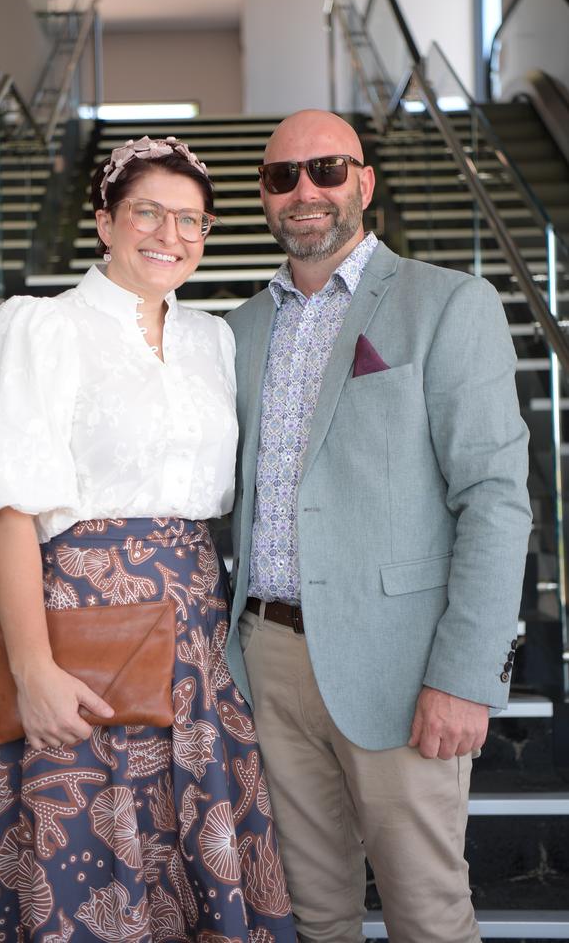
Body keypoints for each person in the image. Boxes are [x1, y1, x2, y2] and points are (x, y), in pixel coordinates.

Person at [0, 136, 296, 942]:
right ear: (104, 220)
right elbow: (8, 513)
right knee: (85, 872)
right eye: (149, 213)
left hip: (196, 644)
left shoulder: (215, 338)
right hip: (77, 638)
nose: (172, 235)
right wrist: (31, 672)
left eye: (193, 221)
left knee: (188, 866)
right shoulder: (38, 327)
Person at [224, 110, 532, 943]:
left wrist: (467, 674)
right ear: (264, 196)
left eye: (327, 169)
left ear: (365, 181)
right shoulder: (238, 328)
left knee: (427, 912)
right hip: (269, 661)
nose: (306, 191)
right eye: (283, 176)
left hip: (401, 667)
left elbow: (496, 498)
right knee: (312, 915)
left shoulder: (448, 303)